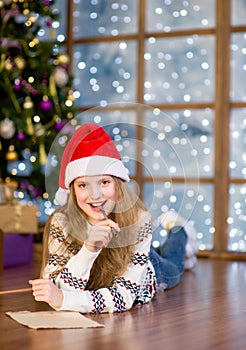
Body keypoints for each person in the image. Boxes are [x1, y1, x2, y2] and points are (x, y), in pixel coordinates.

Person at [29, 123, 198, 313]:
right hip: (113, 270)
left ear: (118, 184)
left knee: (174, 265)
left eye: (104, 182)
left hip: (148, 273)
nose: (95, 196)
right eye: (83, 185)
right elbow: (59, 292)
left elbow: (124, 296)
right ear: (73, 191)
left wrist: (65, 300)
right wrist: (89, 249)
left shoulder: (139, 221)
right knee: (156, 250)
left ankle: (179, 230)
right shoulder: (61, 222)